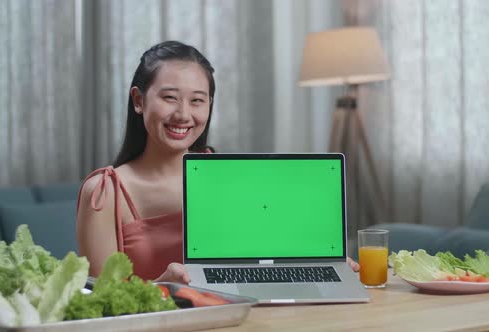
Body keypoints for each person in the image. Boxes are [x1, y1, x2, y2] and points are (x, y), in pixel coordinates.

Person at [77, 40, 359, 284]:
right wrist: (163, 286)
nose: (183, 114)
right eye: (170, 98)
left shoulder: (219, 171)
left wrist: (319, 263)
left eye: (197, 100)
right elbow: (102, 304)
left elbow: (257, 257)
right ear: (139, 100)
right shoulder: (105, 192)